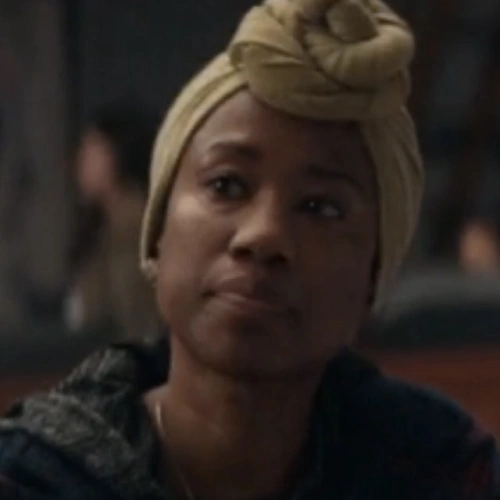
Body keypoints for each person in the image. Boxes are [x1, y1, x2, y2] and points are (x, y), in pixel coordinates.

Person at [0, 0, 498, 499]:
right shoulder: (36, 477)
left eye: (320, 207)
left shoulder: (439, 469)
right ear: (157, 234)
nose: (263, 235)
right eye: (227, 185)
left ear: (373, 276)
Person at [66, 99, 161, 340]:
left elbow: (134, 321)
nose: (80, 163)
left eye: (91, 152)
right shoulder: (103, 229)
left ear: (116, 155)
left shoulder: (135, 231)